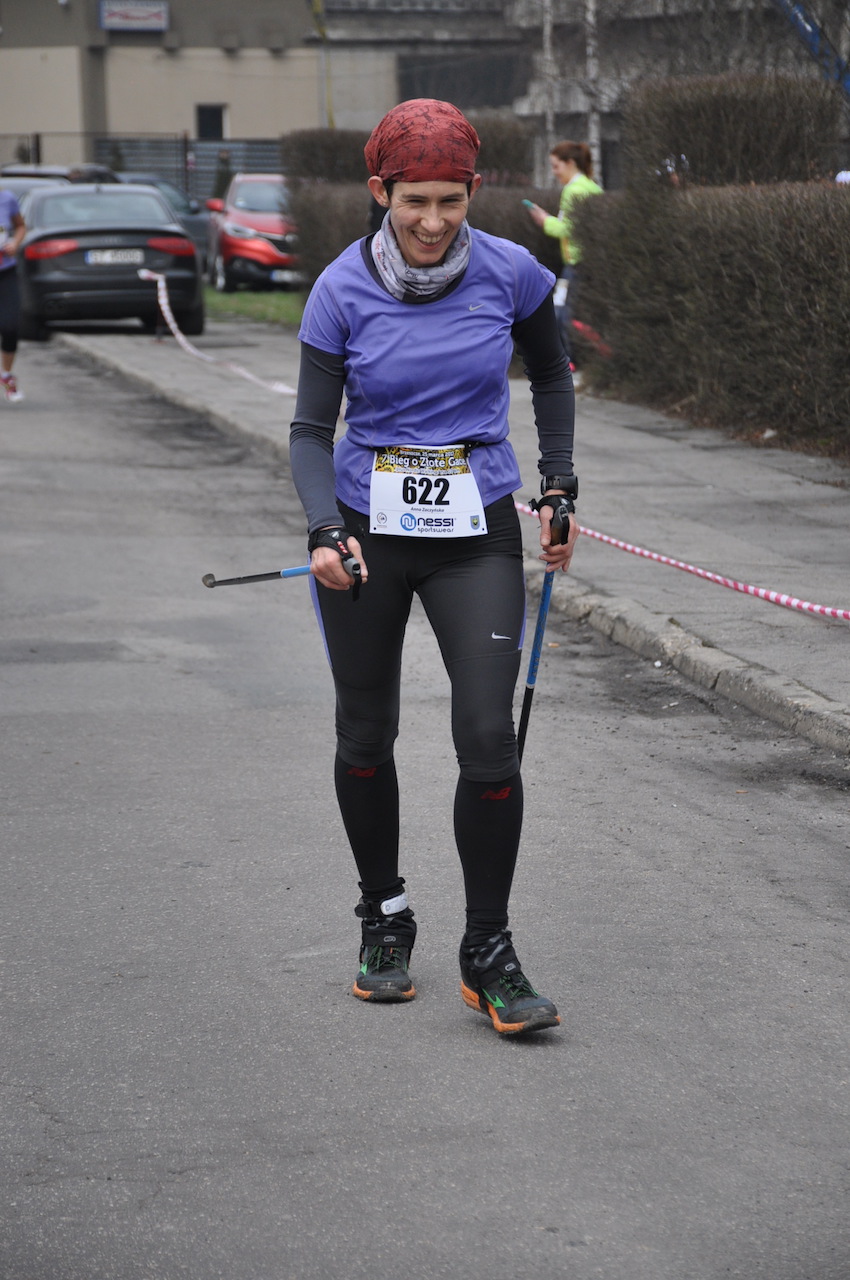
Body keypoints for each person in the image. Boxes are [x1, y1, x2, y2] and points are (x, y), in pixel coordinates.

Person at [289, 98, 579, 1036]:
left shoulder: (511, 272)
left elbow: (553, 374)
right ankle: (385, 917)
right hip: (367, 535)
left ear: (472, 191)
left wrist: (559, 484)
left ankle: (487, 950)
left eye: (451, 201)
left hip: (476, 529)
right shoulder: (341, 287)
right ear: (381, 191)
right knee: (366, 732)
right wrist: (323, 530)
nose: (432, 221)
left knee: (490, 738)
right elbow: (310, 431)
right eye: (414, 200)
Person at [524, 141, 602, 362]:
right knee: (578, 312)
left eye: (556, 166)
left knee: (562, 313)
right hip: (592, 260)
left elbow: (567, 228)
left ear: (570, 163)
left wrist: (544, 220)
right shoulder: (592, 187)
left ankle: (569, 361)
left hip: (576, 262)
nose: (554, 172)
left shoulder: (572, 191)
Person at [0, 184, 26, 403]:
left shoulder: (7, 199)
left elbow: (20, 226)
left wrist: (15, 243)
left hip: (5, 271)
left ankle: (6, 375)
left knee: (10, 326)